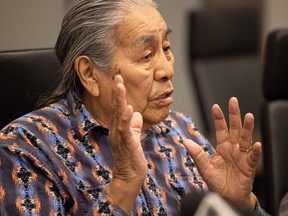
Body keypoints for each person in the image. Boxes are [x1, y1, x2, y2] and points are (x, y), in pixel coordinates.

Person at [0, 0, 269, 215]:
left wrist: (241, 207)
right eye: (147, 55)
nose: (167, 69)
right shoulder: (25, 148)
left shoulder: (180, 129)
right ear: (90, 74)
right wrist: (122, 186)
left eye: (166, 47)